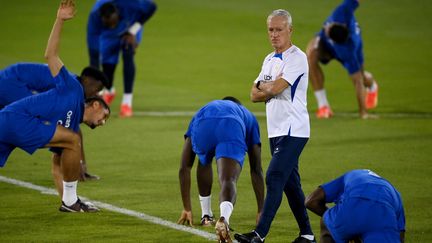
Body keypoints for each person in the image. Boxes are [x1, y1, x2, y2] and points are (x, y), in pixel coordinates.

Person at [0, 0, 110, 212]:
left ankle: (69, 202)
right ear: (95, 104)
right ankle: (70, 202)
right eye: (105, 116)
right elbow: (50, 55)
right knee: (73, 140)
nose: (103, 122)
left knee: (71, 140)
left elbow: (57, 167)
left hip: (9, 123)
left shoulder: (69, 128)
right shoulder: (73, 88)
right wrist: (60, 20)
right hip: (17, 117)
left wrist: (66, 196)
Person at [235, 9, 316, 243]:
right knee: (291, 186)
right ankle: (308, 235)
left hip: (294, 129)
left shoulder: (297, 57)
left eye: (279, 29)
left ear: (290, 30)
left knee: (274, 176)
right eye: (270, 30)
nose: (274, 34)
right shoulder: (269, 60)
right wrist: (266, 86)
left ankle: (259, 234)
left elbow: (273, 89)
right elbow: (253, 95)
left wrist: (265, 87)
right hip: (276, 129)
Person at [0, 62, 108, 181]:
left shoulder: (73, 89)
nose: (97, 95)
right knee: (24, 117)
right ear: (87, 81)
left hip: (11, 80)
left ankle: (79, 169)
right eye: (98, 89)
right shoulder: (71, 85)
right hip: (11, 83)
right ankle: (77, 171)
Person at [177, 97, 265, 243]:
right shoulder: (246, 114)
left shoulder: (204, 109)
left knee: (203, 160)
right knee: (228, 179)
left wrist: (187, 208)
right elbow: (256, 169)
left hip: (203, 122)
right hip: (231, 126)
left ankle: (206, 216)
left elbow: (184, 167)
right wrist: (261, 210)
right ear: (238, 105)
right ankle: (224, 219)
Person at [306, 0, 378, 119]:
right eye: (330, 26)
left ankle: (372, 86)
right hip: (324, 45)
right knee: (310, 57)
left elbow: (358, 82)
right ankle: (323, 106)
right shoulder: (343, 11)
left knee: (361, 78)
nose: (327, 27)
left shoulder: (349, 51)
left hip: (349, 53)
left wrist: (363, 113)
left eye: (328, 30)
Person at [87, 0, 157, 117]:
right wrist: (96, 92)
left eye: (113, 22)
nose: (113, 26)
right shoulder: (95, 17)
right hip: (109, 35)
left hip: (130, 28)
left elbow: (152, 7)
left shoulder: (130, 3)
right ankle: (108, 91)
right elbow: (94, 55)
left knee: (127, 51)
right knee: (107, 64)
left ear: (118, 13)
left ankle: (127, 103)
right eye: (108, 24)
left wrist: (133, 30)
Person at [305, 169, 406, 243]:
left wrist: (343, 220)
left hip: (350, 213)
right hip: (382, 218)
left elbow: (311, 201)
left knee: (326, 222)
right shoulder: (395, 193)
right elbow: (400, 236)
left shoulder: (351, 176)